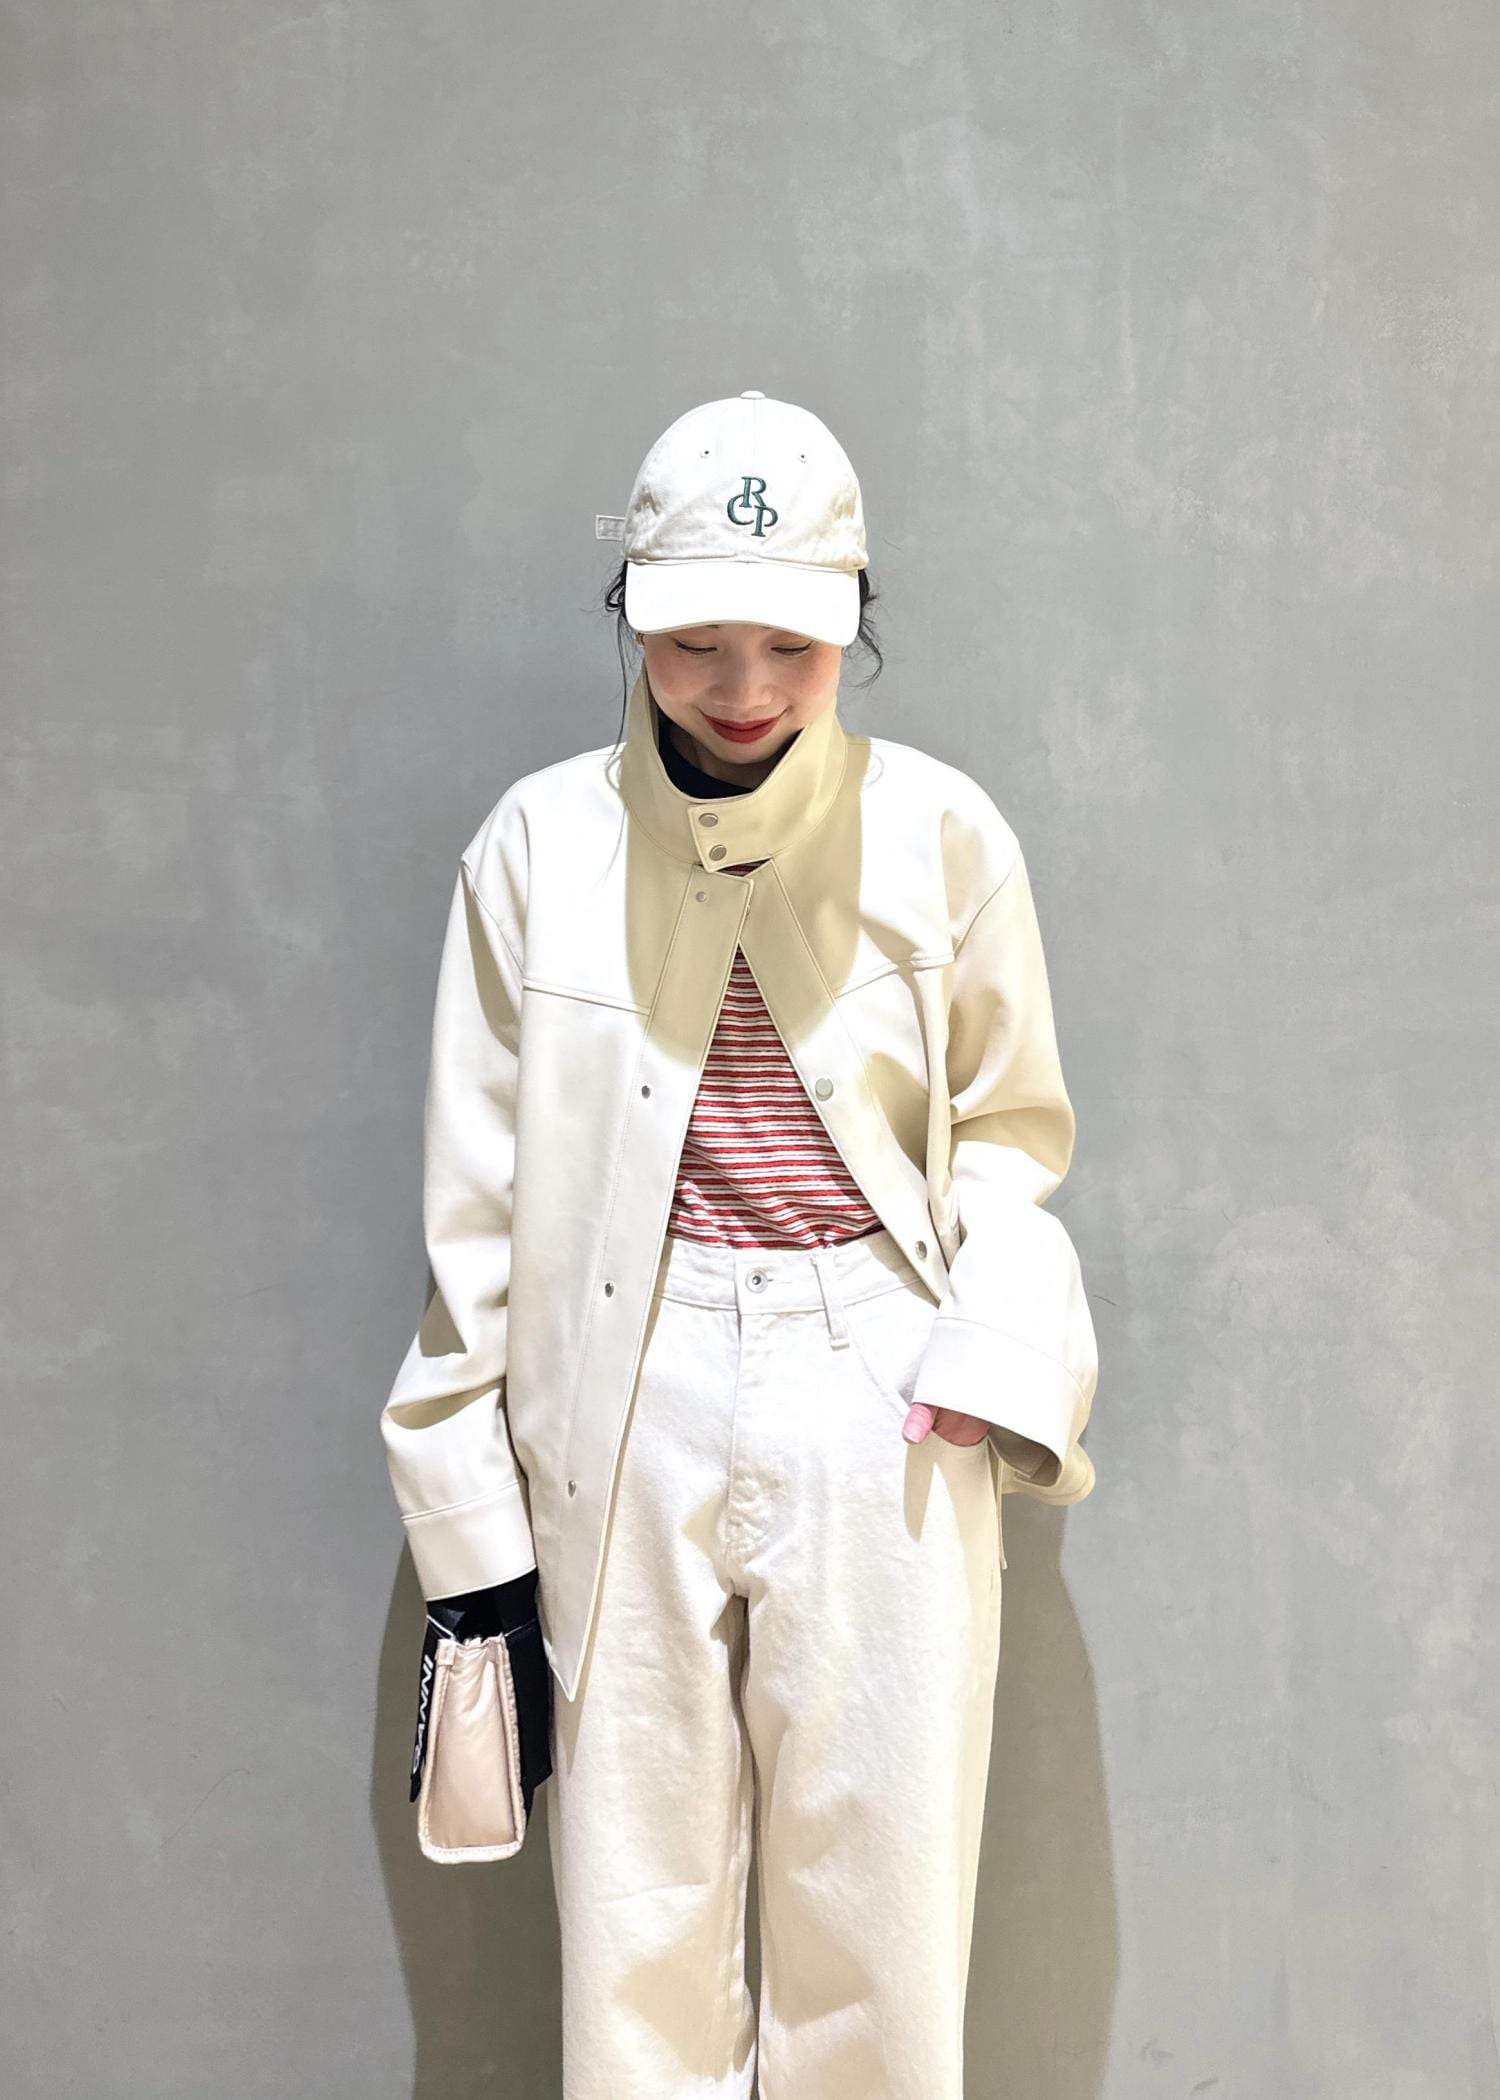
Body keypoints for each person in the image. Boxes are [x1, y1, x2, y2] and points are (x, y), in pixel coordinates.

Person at [379, 389, 1099, 2098]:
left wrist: (981, 1357)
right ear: (631, 615)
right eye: (697, 639)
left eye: (793, 643)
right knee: (635, 1916)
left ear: (856, 623)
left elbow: (1014, 1135)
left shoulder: (943, 833)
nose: (745, 687)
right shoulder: (538, 847)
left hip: (883, 1378)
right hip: (622, 1384)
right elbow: (473, 1215)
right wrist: (468, 1518)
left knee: (884, 1910)